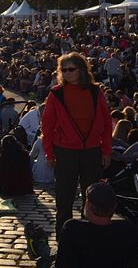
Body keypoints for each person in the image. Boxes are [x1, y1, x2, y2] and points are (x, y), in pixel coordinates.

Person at [42, 52, 112, 239]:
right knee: (64, 198)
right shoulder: (56, 93)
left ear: (81, 69)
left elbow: (106, 123)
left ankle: (90, 237)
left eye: (70, 69)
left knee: (93, 198)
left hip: (91, 149)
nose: (67, 73)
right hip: (65, 151)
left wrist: (106, 150)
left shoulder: (95, 91)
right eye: (63, 70)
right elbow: (47, 126)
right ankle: (64, 238)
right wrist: (49, 153)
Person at [54, 181, 138, 268]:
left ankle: (41, 243)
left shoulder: (72, 228)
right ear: (114, 207)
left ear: (88, 205)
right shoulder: (128, 230)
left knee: (48, 258)